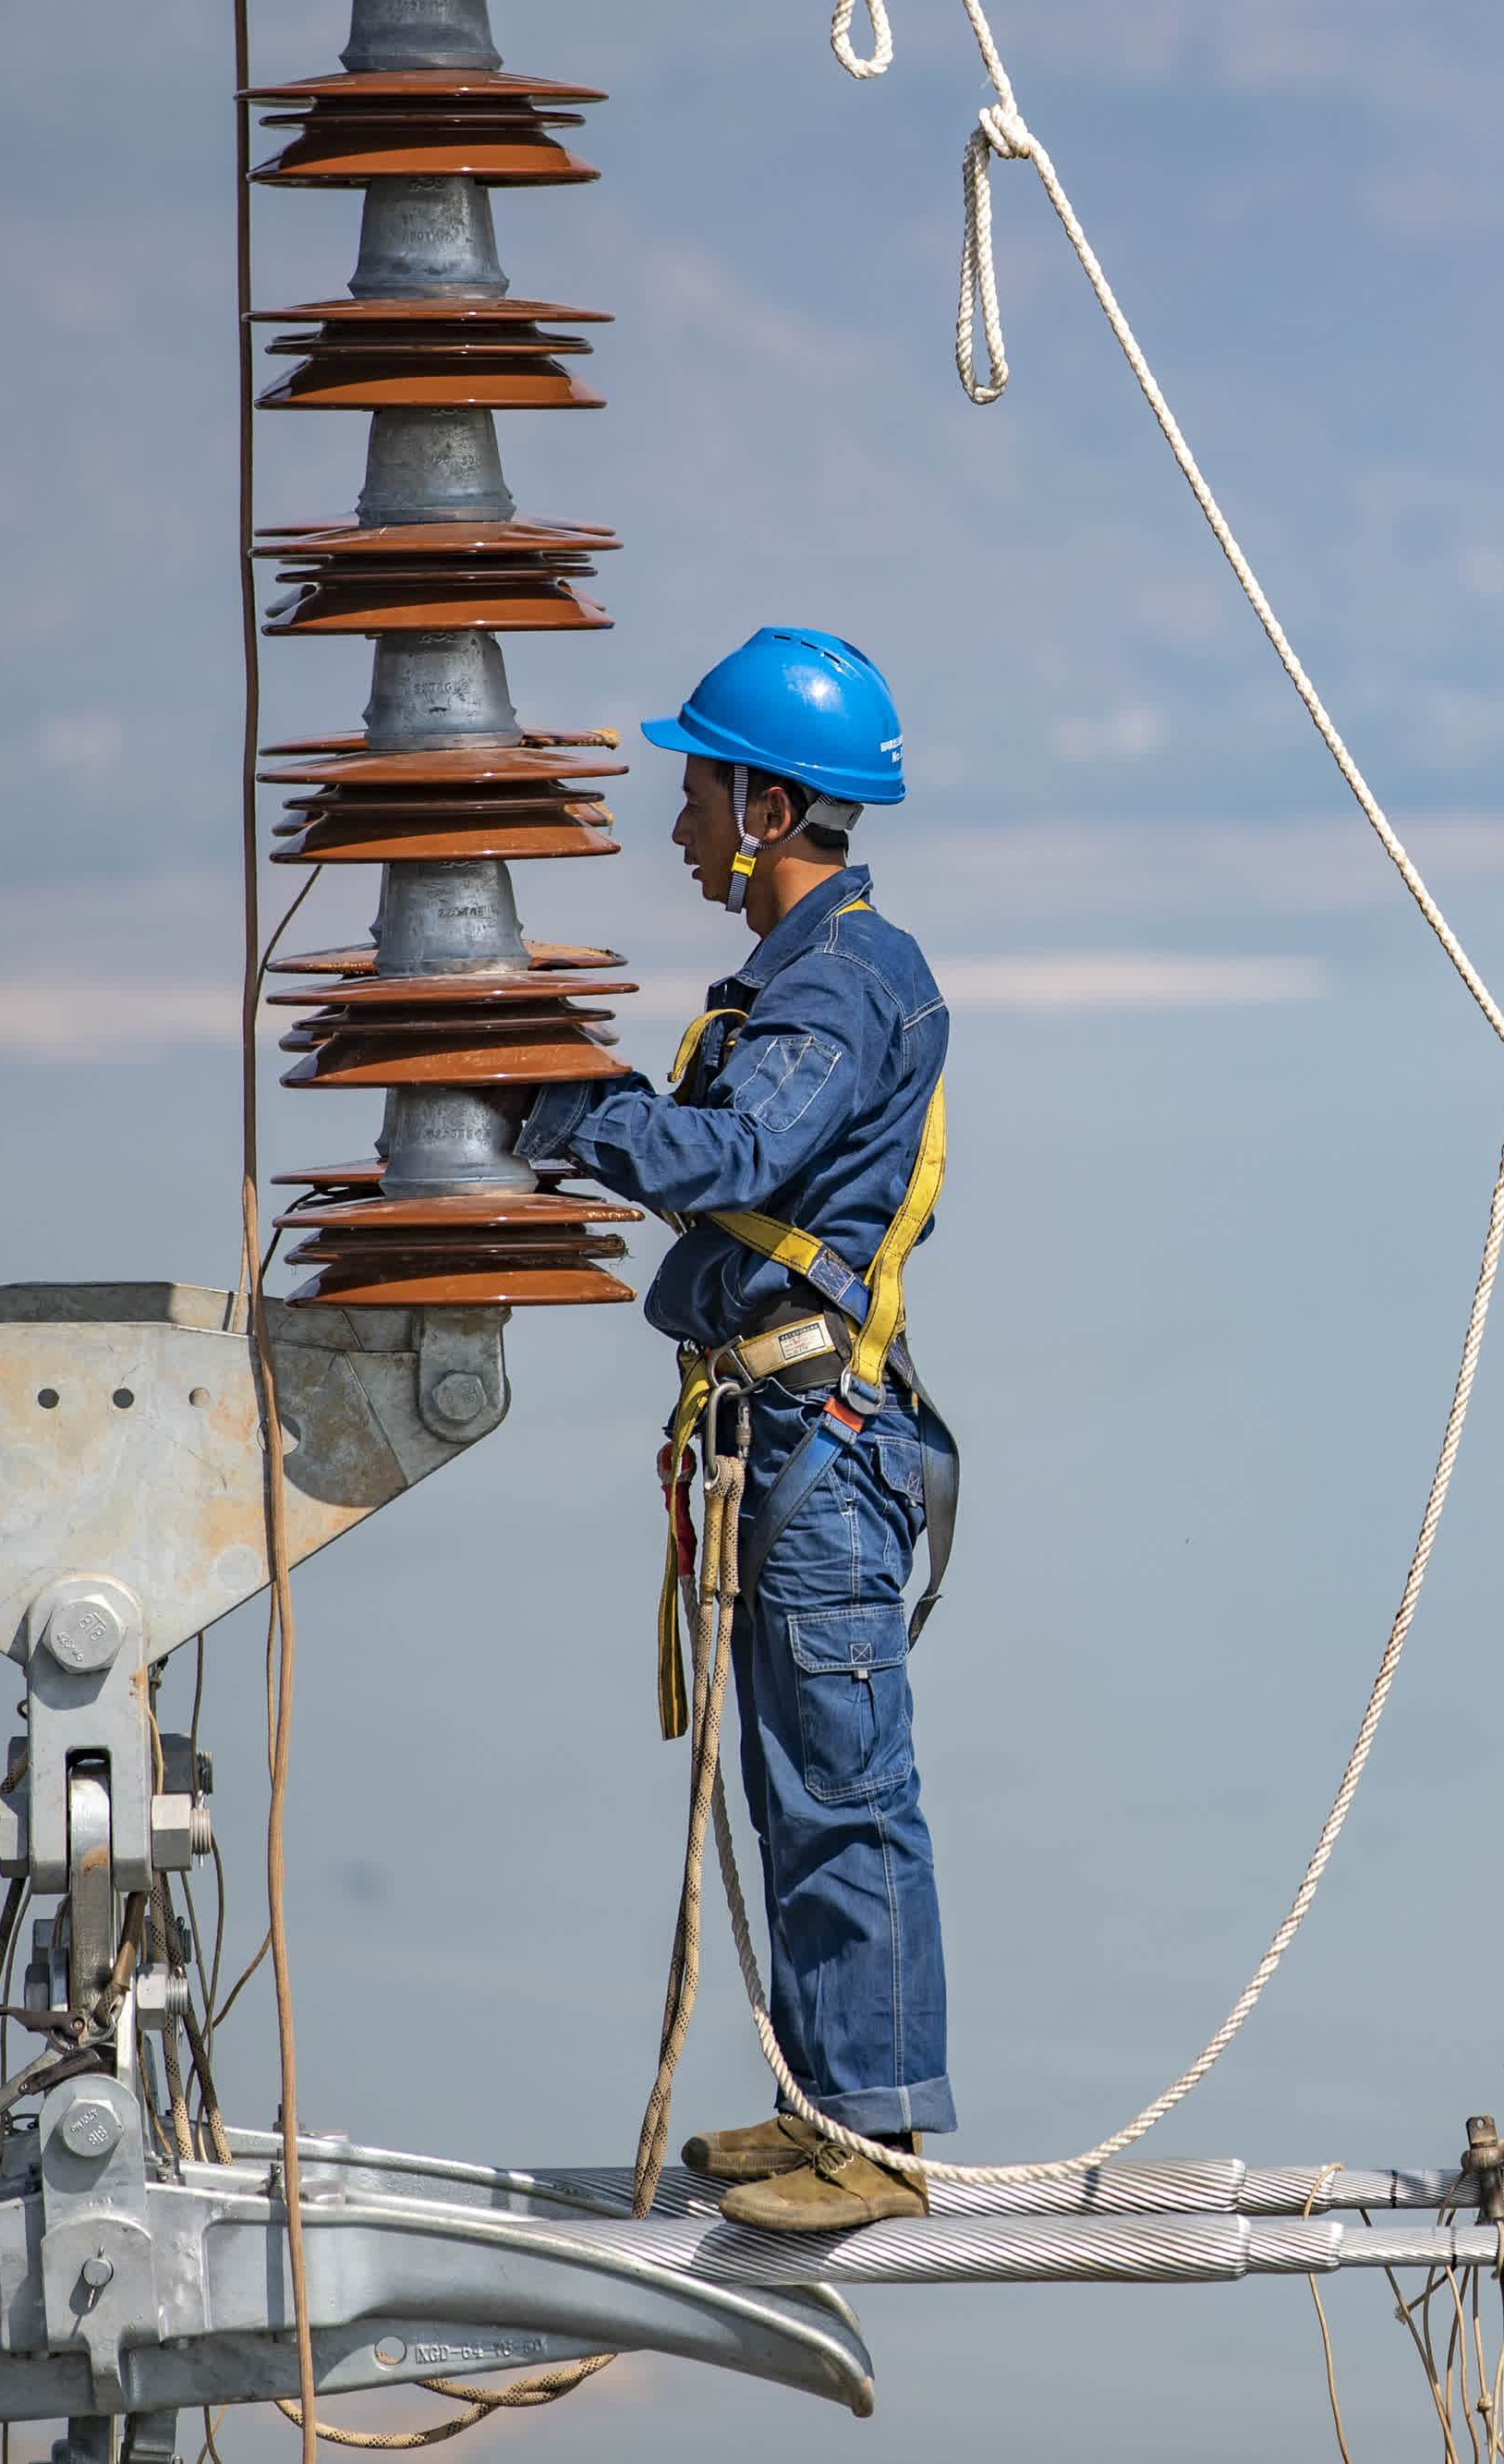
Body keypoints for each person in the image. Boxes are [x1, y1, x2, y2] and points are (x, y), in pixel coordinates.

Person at [508, 626, 957, 2231]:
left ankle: (878, 2139)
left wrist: (578, 1114)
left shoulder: (836, 985)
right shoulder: (815, 974)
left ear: (770, 809)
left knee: (841, 1783)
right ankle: (833, 2106)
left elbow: (731, 1153)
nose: (680, 823)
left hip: (821, 1443)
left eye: (698, 792)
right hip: (788, 1436)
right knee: (795, 1779)